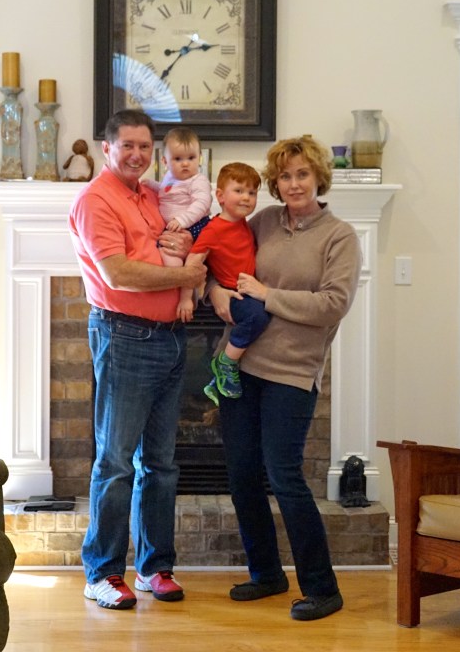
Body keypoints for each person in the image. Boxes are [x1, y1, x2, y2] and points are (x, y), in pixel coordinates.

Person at [208, 135, 361, 622]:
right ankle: (266, 574)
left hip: (292, 373)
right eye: (285, 176)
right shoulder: (262, 222)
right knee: (242, 476)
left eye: (302, 174)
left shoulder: (339, 237)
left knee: (285, 477)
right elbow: (220, 261)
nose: (293, 184)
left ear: (318, 178)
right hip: (239, 366)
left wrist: (267, 295)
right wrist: (214, 292)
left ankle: (322, 588)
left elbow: (333, 305)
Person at [67, 109, 208, 611]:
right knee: (116, 461)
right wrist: (187, 277)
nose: (136, 155)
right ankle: (102, 573)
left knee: (161, 464)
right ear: (107, 148)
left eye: (145, 147)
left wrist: (186, 243)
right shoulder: (96, 200)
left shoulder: (150, 194)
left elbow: (176, 238)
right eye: (127, 145)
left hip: (170, 337)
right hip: (124, 335)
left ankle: (153, 567)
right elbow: (119, 274)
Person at [178, 161, 270, 404]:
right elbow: (193, 261)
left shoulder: (244, 225)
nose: (246, 197)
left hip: (246, 290)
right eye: (239, 191)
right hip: (232, 293)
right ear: (220, 196)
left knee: (263, 315)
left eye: (252, 192)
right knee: (258, 317)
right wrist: (186, 298)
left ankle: (214, 383)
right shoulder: (213, 229)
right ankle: (225, 362)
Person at [143, 127, 214, 318]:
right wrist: (153, 186)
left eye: (191, 158)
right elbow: (166, 192)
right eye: (178, 159)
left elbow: (202, 203)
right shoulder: (169, 179)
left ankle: (187, 298)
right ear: (165, 162)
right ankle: (177, 294)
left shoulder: (198, 180)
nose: (185, 164)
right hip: (174, 227)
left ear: (199, 158)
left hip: (195, 224)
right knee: (170, 260)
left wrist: (183, 220)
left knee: (192, 262)